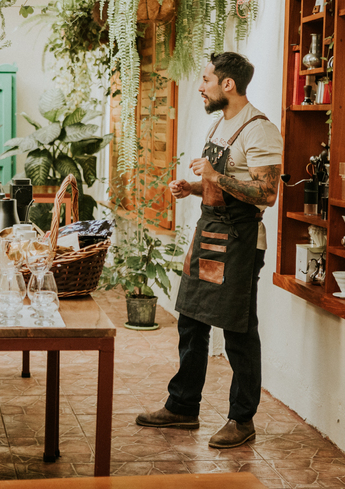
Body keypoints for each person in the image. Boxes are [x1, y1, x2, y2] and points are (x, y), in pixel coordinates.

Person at [135, 52, 283, 449]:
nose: (200, 86)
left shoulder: (259, 130)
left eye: (205, 79)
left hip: (239, 242)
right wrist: (195, 187)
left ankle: (241, 419)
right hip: (208, 233)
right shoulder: (220, 124)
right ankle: (183, 406)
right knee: (191, 321)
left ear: (227, 85)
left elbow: (267, 194)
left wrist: (214, 176)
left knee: (237, 331)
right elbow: (225, 183)